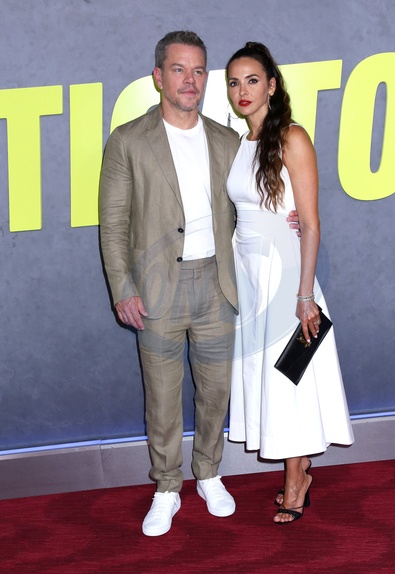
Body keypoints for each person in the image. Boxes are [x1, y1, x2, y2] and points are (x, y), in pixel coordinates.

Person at [100, 31, 241, 537]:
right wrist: (122, 287)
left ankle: (209, 473)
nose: (190, 80)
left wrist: (284, 219)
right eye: (179, 69)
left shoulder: (228, 140)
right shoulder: (128, 140)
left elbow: (251, 205)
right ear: (159, 76)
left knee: (216, 391)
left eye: (199, 70)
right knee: (161, 397)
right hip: (157, 287)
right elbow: (113, 224)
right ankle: (166, 486)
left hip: (217, 284)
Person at [225, 42, 354, 524]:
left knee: (288, 380)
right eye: (234, 82)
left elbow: (312, 223)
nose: (242, 90)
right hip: (248, 277)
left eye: (252, 80)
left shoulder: (292, 137)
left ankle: (296, 480)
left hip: (286, 279)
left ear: (272, 86)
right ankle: (298, 472)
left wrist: (304, 295)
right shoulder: (240, 142)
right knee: (268, 378)